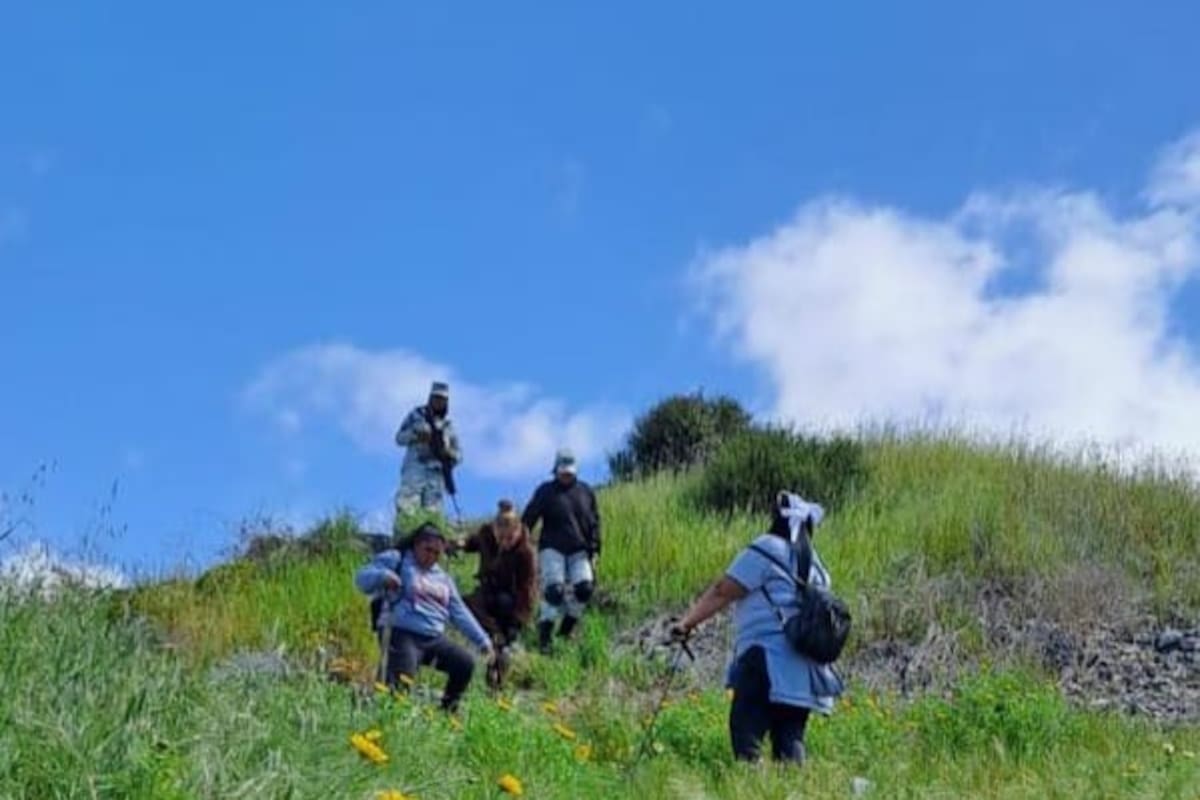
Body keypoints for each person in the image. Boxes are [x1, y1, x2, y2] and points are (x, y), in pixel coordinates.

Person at [671, 491, 844, 765]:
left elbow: (722, 591)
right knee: (790, 738)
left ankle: (750, 789)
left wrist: (686, 623)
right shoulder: (819, 568)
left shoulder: (767, 548)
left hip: (766, 657)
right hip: (804, 668)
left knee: (746, 732)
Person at [355, 522, 495, 712]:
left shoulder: (444, 578)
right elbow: (361, 578)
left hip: (433, 638)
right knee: (400, 686)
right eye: (427, 550)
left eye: (437, 553)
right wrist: (383, 576)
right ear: (416, 545)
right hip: (400, 632)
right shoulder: (398, 559)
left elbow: (459, 612)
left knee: (464, 664)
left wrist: (483, 641)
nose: (432, 557)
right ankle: (384, 717)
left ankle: (448, 713)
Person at [522, 448, 602, 653]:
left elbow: (594, 523)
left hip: (580, 549)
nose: (566, 475)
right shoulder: (545, 491)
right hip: (552, 547)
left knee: (585, 589)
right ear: (555, 470)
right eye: (563, 471)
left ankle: (566, 630)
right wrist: (522, 542)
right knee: (554, 592)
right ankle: (545, 636)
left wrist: (595, 550)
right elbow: (529, 518)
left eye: (570, 472)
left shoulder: (586, 492)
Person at [457, 499, 538, 686]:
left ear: (518, 531)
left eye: (509, 538)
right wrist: (460, 544)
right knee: (466, 603)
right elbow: (473, 542)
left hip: (511, 598)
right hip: (487, 591)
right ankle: (491, 636)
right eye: (500, 537)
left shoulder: (526, 552)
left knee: (504, 625)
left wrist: (519, 620)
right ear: (494, 530)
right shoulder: (486, 535)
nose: (504, 543)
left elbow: (528, 588)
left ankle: (498, 664)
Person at [394, 381, 462, 516]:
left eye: (442, 399)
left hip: (436, 475)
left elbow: (459, 455)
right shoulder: (416, 415)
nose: (438, 402)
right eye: (436, 398)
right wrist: (415, 435)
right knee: (407, 508)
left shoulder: (449, 427)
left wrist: (448, 453)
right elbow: (399, 438)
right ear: (430, 398)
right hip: (415, 469)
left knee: (433, 514)